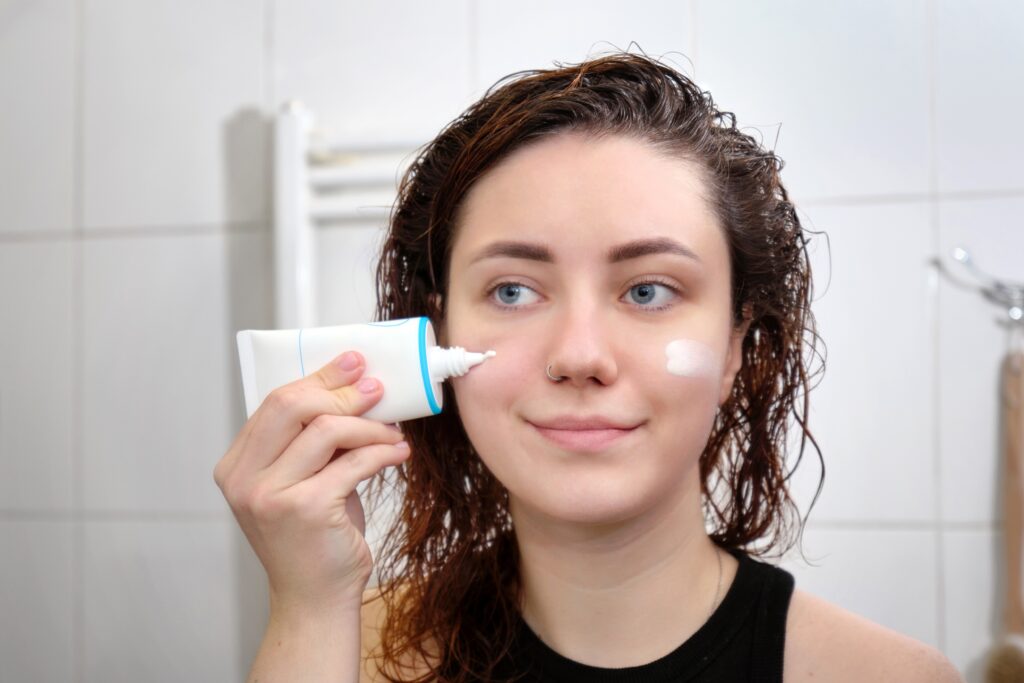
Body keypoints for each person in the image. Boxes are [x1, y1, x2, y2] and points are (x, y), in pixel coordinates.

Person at [214, 51, 962, 682]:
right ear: (438, 333)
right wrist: (308, 606)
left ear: (734, 348)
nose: (578, 356)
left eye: (647, 290)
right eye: (512, 290)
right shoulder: (352, 651)